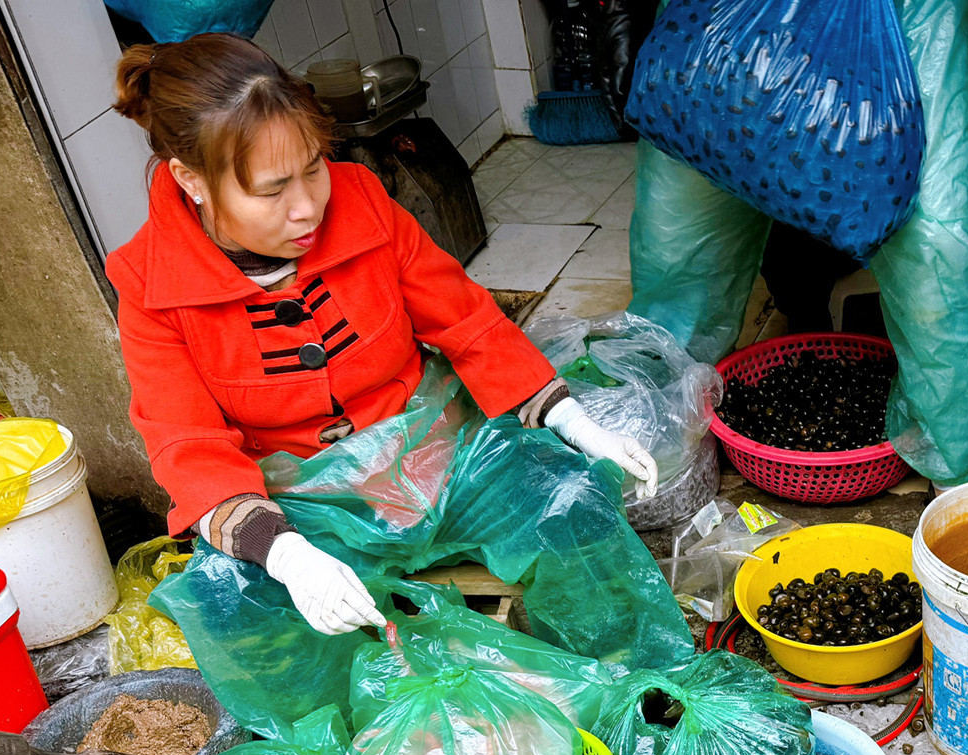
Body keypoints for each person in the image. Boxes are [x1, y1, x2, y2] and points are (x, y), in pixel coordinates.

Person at [107, 33, 658, 638]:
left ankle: (638, 696)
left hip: (437, 460)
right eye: (272, 190)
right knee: (241, 610)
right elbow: (185, 440)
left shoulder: (363, 203)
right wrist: (286, 554)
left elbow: (464, 319)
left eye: (313, 168)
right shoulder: (150, 283)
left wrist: (572, 420)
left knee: (574, 508)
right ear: (191, 179)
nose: (308, 207)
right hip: (300, 508)